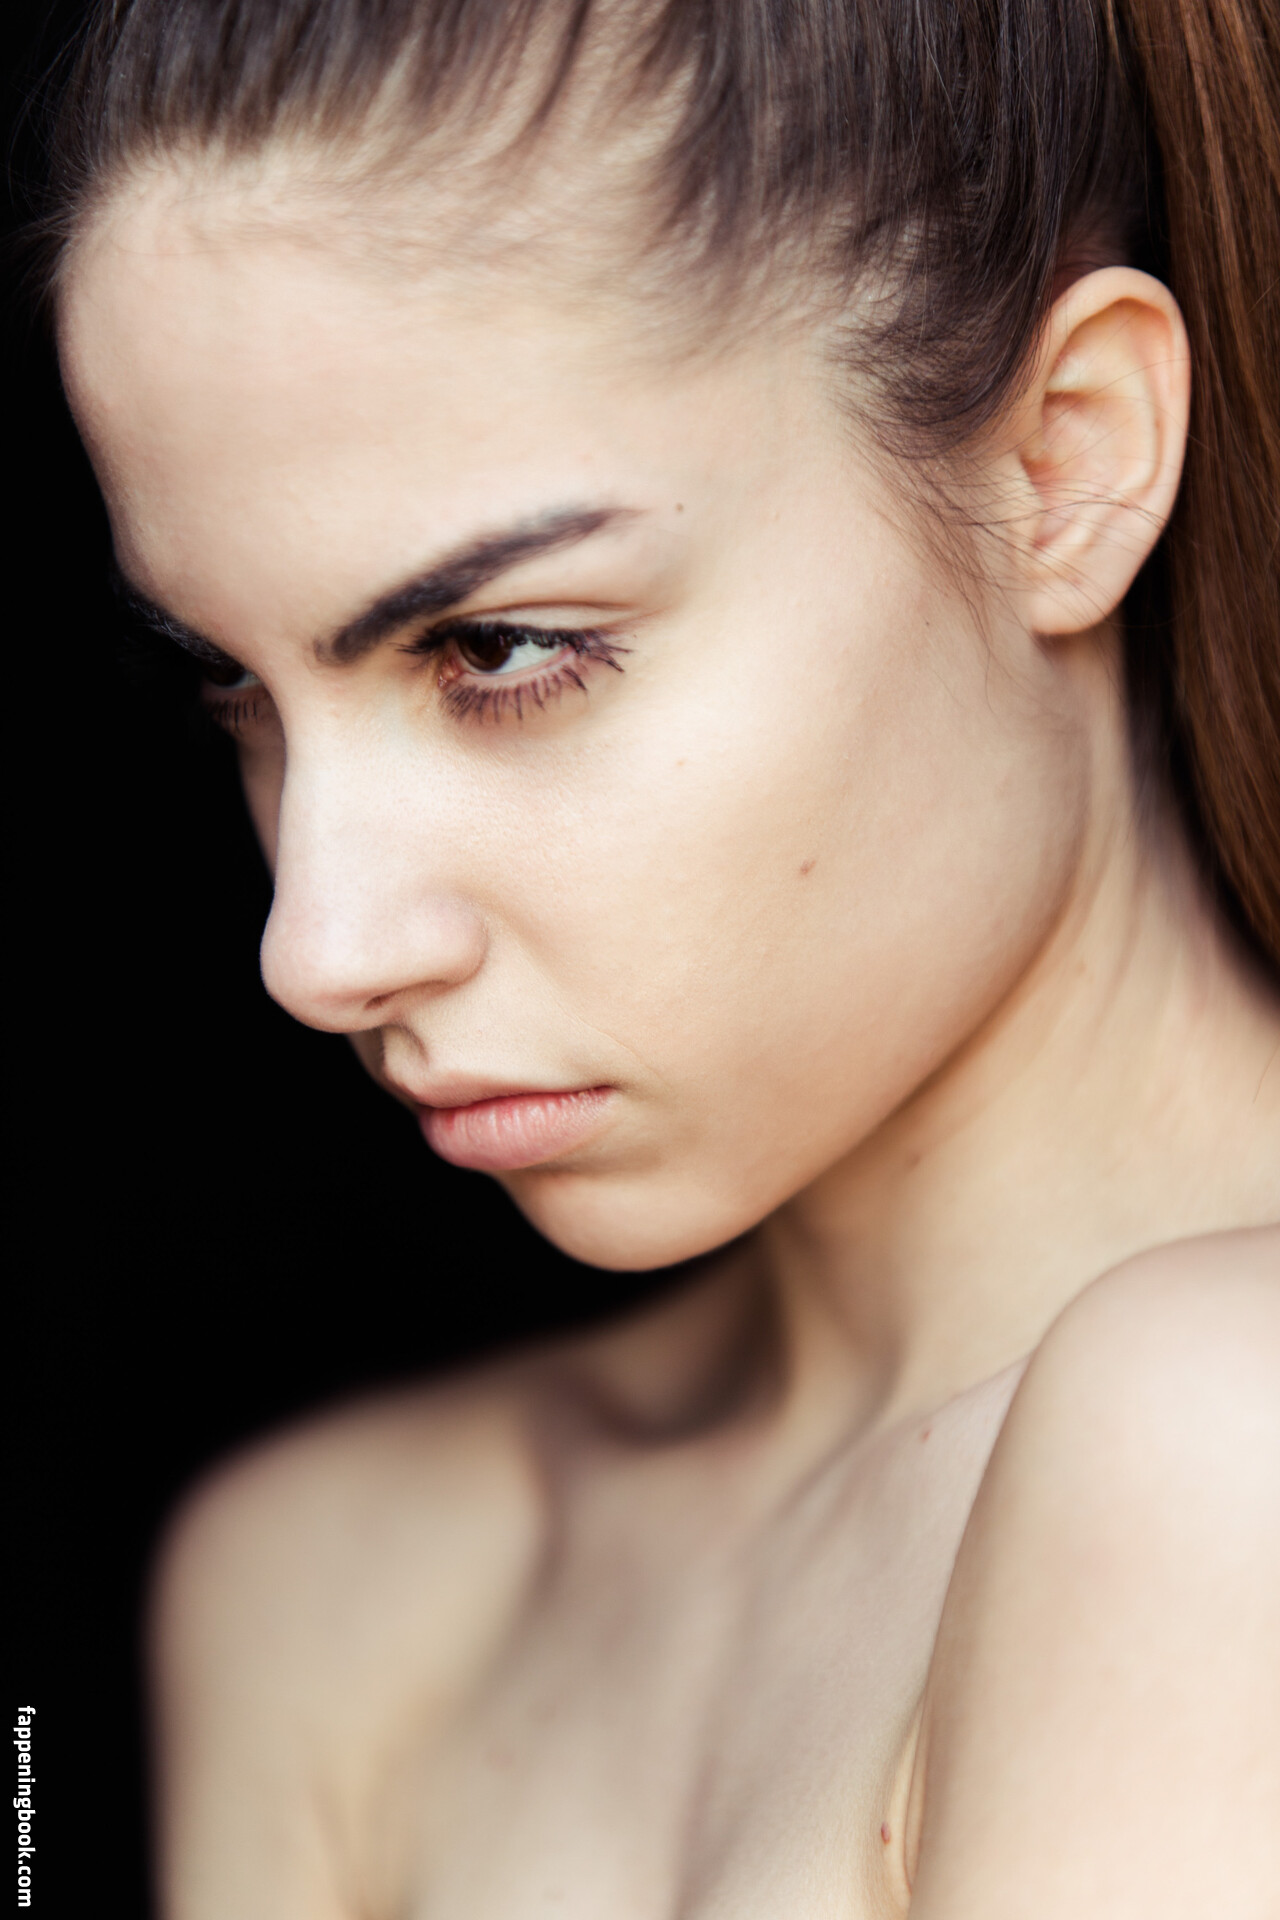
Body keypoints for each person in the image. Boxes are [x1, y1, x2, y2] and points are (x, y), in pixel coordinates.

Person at [40, 0, 1279, 1911]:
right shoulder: (322, 1590)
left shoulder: (1229, 1440)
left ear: (1067, 461)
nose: (319, 946)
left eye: (503, 650)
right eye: (240, 691)